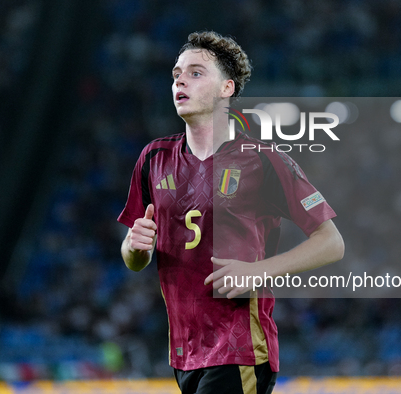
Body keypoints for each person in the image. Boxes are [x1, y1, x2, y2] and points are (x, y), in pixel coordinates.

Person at [118, 31, 344, 394]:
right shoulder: (153, 159)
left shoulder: (262, 159)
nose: (179, 80)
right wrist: (134, 247)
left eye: (195, 73)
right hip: (183, 354)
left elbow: (331, 242)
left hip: (239, 348)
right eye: (176, 73)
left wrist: (258, 271)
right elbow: (134, 259)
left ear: (227, 88)